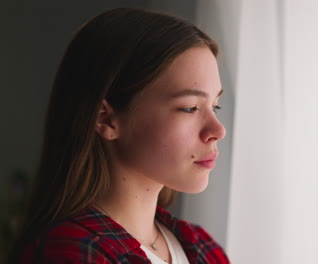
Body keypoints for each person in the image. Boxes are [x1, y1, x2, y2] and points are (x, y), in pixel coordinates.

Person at [8, 7, 229, 264]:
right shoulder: (71, 254)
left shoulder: (204, 248)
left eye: (215, 106)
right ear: (105, 118)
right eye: (189, 108)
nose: (218, 130)